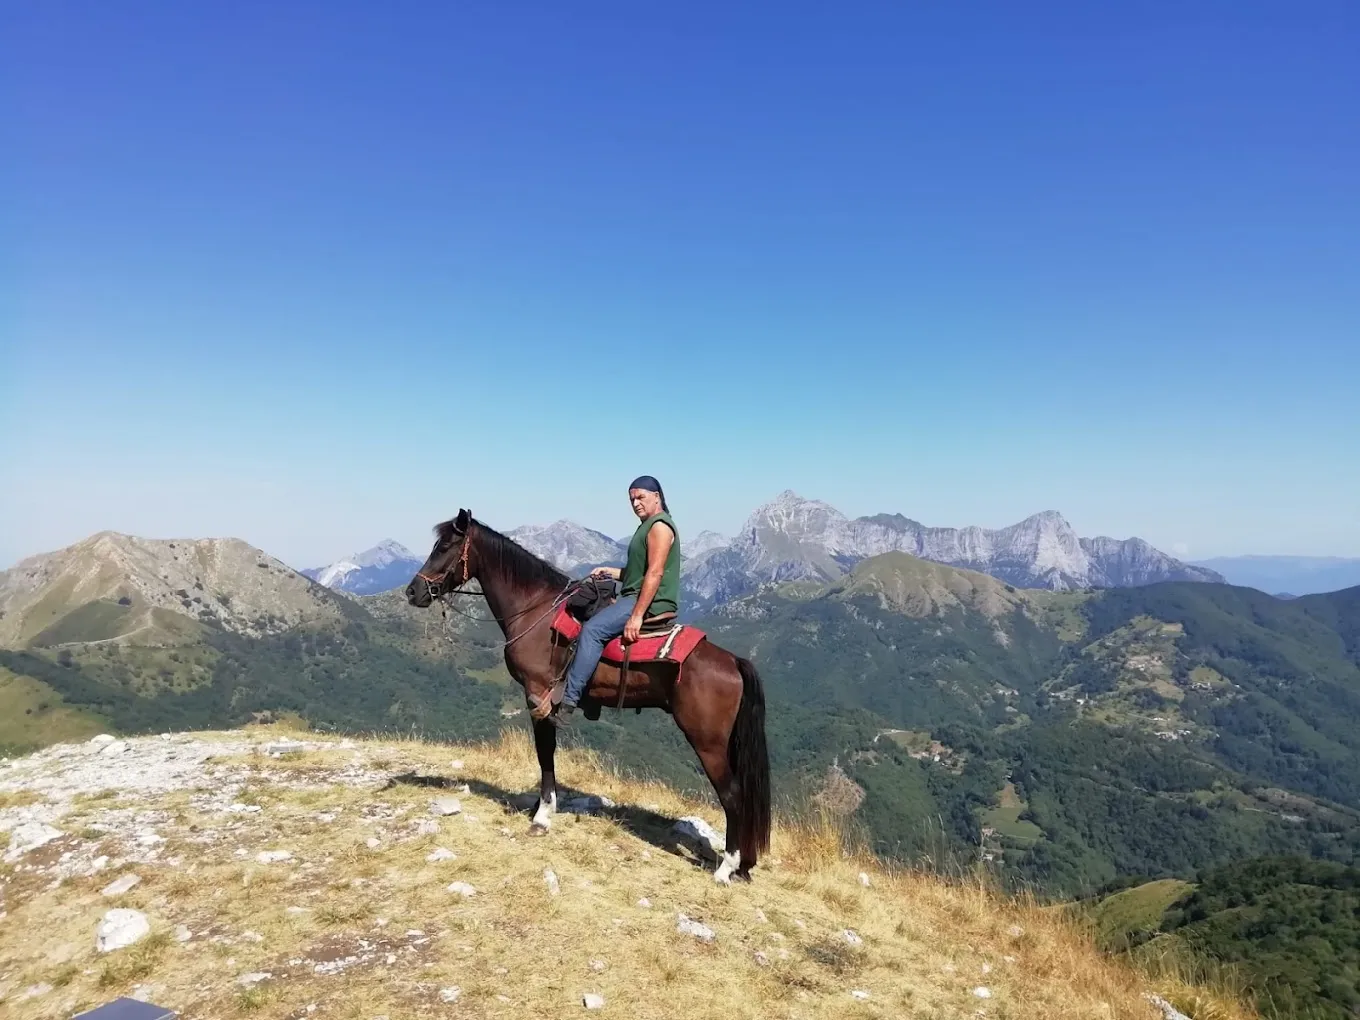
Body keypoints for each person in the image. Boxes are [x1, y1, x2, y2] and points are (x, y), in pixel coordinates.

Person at [543, 475, 681, 724]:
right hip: (635, 594)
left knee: (593, 631)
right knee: (591, 613)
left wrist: (637, 616)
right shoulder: (647, 526)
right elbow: (638, 573)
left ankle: (569, 702)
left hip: (648, 601)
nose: (636, 503)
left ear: (656, 496)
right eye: (632, 499)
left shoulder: (660, 527)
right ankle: (592, 697)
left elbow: (655, 573)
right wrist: (611, 572)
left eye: (641, 497)